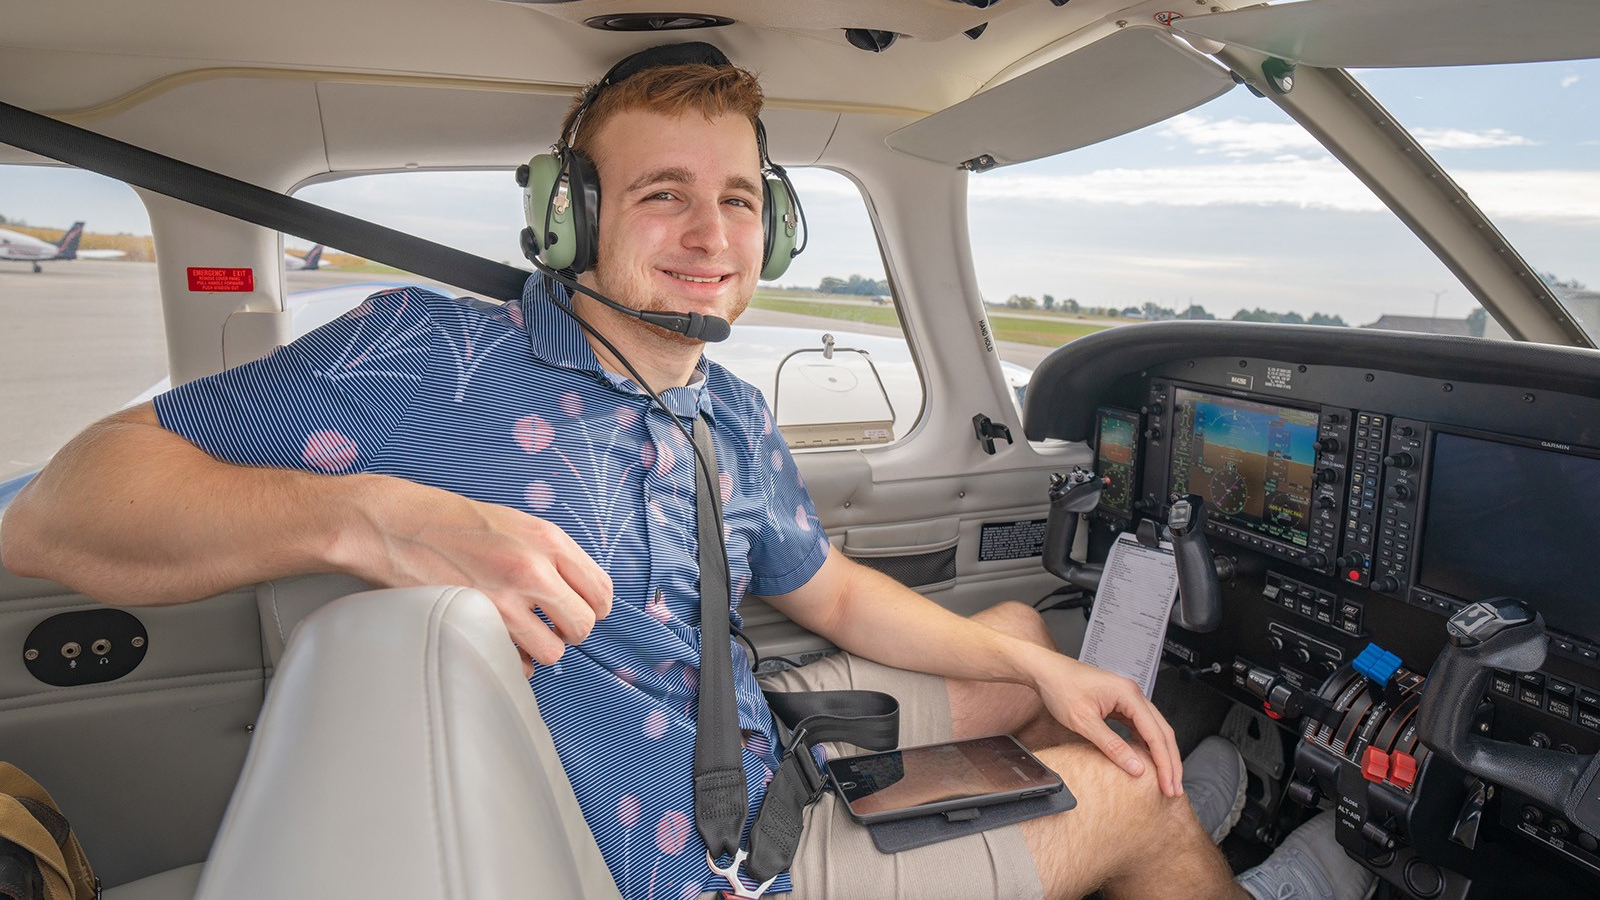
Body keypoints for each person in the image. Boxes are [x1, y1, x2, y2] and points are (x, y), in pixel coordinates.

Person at [0, 44, 1372, 900]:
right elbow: (57, 513)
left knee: (1023, 637)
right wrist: (369, 515)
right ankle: (1206, 865)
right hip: (711, 864)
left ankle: (1161, 800)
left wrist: (1061, 676)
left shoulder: (718, 406)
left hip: (742, 730)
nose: (709, 233)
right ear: (571, 218)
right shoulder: (431, 362)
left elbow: (822, 584)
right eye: (661, 194)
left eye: (736, 199)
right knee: (1132, 800)